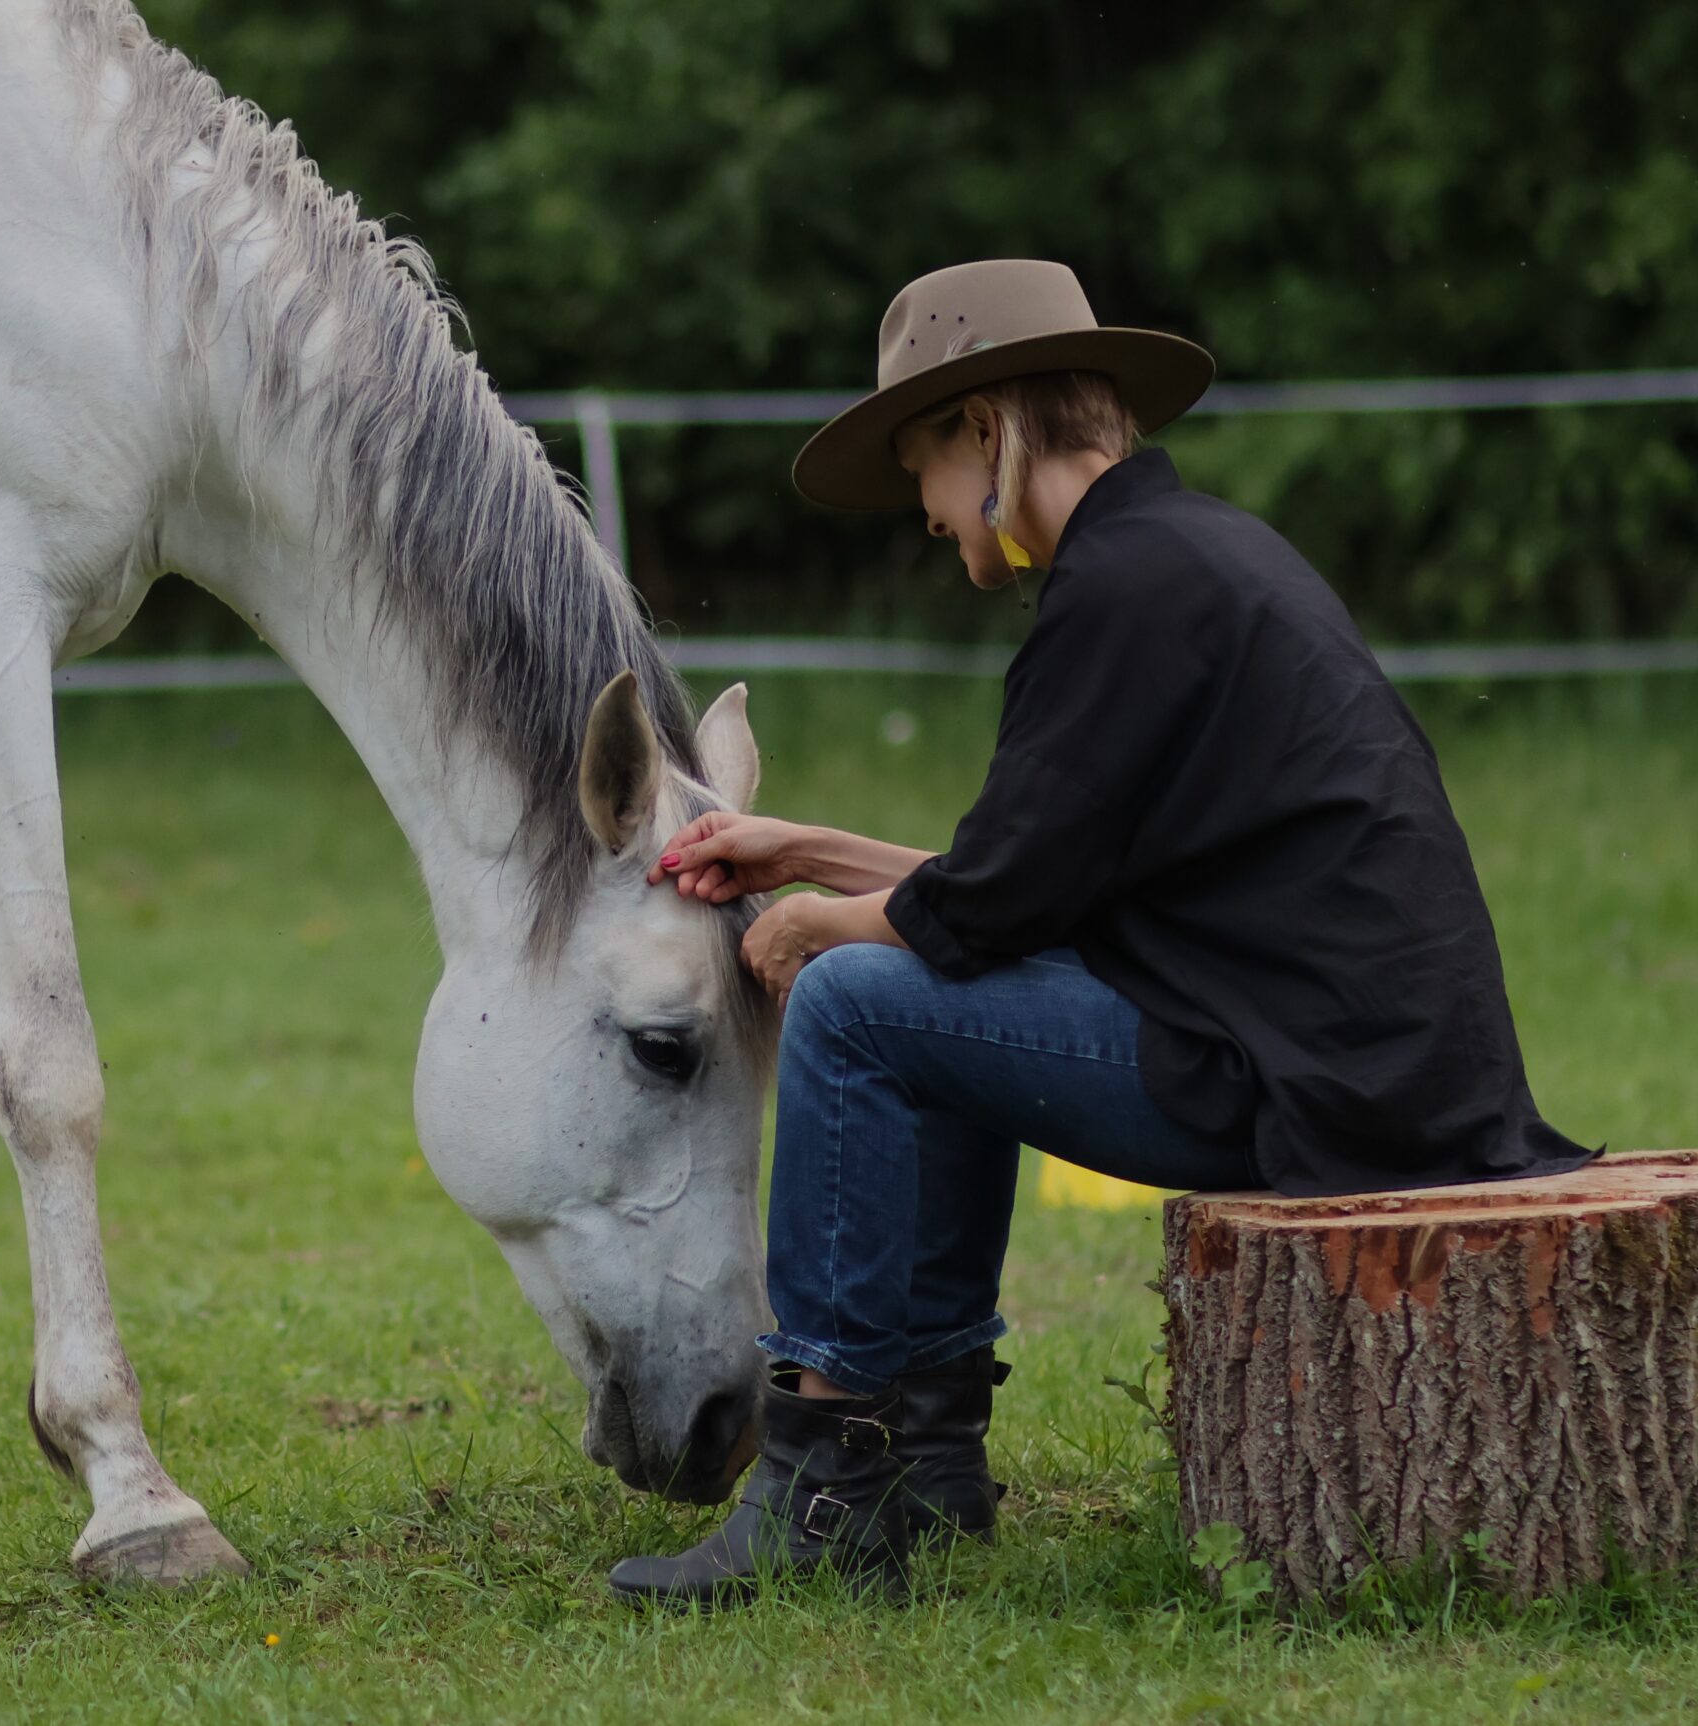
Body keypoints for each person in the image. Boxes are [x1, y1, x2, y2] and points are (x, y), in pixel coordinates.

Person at [607, 260, 1593, 1609]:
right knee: (903, 973)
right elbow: (1029, 884)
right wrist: (808, 852)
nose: (926, 516)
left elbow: (984, 909)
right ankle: (927, 1460)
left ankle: (828, 1479)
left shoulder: (1121, 592)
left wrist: (814, 926)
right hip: (1346, 1058)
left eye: (921, 474)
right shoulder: (1183, 558)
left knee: (852, 1000)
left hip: (1307, 1083)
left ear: (983, 429)